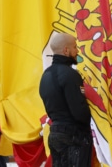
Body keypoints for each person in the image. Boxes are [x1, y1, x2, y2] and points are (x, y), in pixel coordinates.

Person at [39, 33, 93, 167]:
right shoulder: (70, 75)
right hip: (74, 136)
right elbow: (80, 112)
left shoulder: (46, 75)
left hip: (55, 134)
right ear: (66, 50)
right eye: (75, 47)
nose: (77, 51)